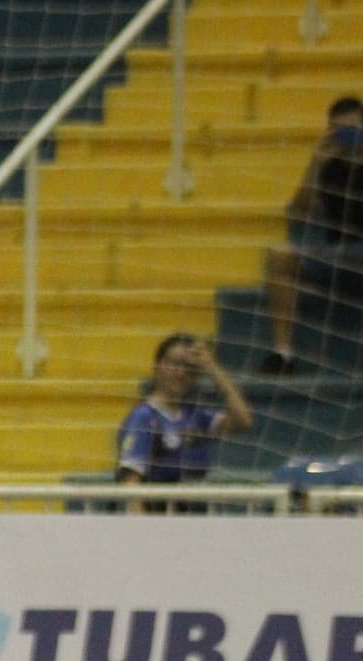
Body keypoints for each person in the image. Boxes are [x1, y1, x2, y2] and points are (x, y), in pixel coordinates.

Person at [259, 96, 363, 375]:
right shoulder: (326, 167)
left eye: (355, 130)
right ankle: (283, 354)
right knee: (280, 255)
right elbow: (299, 213)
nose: (349, 138)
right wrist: (315, 164)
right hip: (331, 256)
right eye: (341, 131)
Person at [114, 334, 253, 500]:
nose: (181, 373)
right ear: (157, 368)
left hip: (192, 514)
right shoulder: (144, 417)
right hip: (158, 515)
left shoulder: (196, 415)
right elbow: (131, 483)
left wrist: (212, 367)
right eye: (174, 364)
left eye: (188, 367)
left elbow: (243, 421)